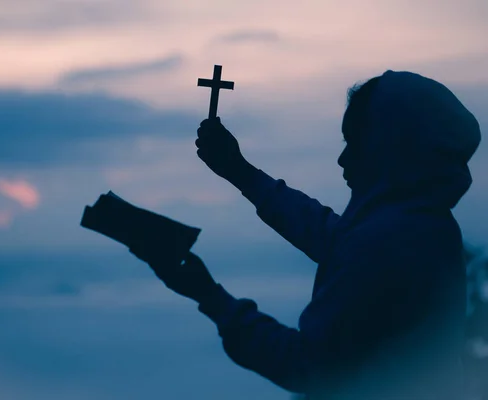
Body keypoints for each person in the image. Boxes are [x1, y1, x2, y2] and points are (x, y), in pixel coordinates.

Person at [131, 70, 482, 399]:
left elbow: (310, 368)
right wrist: (238, 170)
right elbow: (335, 237)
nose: (343, 160)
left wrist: (209, 295)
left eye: (355, 143)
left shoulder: (388, 242)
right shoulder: (416, 225)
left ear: (388, 149)